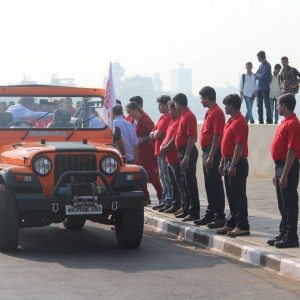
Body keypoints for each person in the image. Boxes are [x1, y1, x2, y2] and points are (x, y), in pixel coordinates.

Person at [268, 93, 300, 248]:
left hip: (289, 166)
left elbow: (292, 151)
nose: (277, 107)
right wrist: (277, 173)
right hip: (279, 165)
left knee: (289, 203)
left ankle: (291, 236)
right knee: (282, 203)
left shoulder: (293, 123)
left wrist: (285, 174)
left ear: (285, 106)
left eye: (279, 105)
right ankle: (284, 232)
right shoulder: (285, 122)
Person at [217, 94, 250, 237]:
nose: (225, 107)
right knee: (231, 195)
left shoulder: (239, 122)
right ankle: (232, 223)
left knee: (238, 195)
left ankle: (243, 225)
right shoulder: (230, 121)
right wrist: (223, 161)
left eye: (227, 105)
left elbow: (239, 145)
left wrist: (233, 165)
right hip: (228, 161)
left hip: (237, 162)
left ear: (232, 106)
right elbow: (227, 145)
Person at [194, 86, 226, 229]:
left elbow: (217, 135)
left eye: (202, 98)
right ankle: (210, 213)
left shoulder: (217, 112)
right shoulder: (209, 112)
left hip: (213, 152)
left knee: (215, 185)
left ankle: (220, 216)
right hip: (206, 151)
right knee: (209, 185)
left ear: (207, 98)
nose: (201, 101)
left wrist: (212, 156)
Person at [126, 102, 163, 204]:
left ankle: (161, 196)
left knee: (152, 175)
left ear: (135, 110)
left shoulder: (145, 119)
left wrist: (143, 139)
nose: (130, 115)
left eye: (130, 112)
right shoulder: (134, 120)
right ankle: (145, 197)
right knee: (140, 175)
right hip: (139, 152)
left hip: (147, 152)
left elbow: (153, 134)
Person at [173, 93, 200, 222]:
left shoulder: (189, 116)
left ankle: (194, 212)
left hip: (187, 151)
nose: (175, 107)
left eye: (175, 104)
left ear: (178, 104)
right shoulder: (183, 116)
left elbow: (191, 138)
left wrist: (187, 156)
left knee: (190, 183)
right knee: (184, 182)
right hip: (182, 151)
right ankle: (186, 208)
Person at [148, 95, 172, 212]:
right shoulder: (162, 118)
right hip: (158, 151)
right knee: (162, 177)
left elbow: (155, 135)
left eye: (160, 105)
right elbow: (152, 132)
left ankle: (168, 201)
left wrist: (154, 134)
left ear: (166, 105)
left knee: (166, 178)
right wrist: (154, 133)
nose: (158, 107)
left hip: (164, 152)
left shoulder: (167, 118)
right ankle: (164, 200)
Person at [160, 100, 185, 214]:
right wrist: (162, 146)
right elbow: (167, 137)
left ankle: (182, 205)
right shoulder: (172, 122)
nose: (169, 112)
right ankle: (175, 204)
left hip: (175, 157)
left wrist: (165, 149)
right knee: (172, 182)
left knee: (179, 183)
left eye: (171, 109)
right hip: (168, 157)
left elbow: (174, 138)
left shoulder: (179, 120)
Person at [255, 51, 272, 124]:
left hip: (265, 88)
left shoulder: (267, 65)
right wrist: (258, 75)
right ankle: (260, 120)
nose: (257, 59)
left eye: (258, 57)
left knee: (267, 105)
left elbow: (264, 76)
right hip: (259, 88)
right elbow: (256, 74)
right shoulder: (261, 65)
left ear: (261, 57)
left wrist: (258, 75)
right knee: (259, 105)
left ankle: (269, 120)